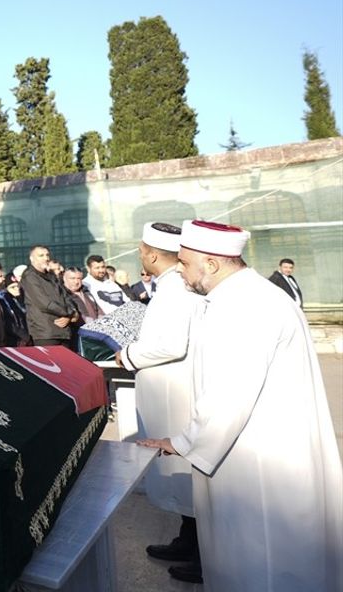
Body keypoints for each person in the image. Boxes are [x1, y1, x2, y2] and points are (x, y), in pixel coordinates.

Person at [139, 220, 342, 592]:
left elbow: (228, 392)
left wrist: (182, 442)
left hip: (260, 460)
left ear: (212, 264)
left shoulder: (244, 306)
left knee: (261, 562)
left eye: (184, 263)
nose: (179, 270)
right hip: (261, 444)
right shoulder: (246, 296)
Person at [116, 223, 206, 584]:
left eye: (141, 250)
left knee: (186, 475)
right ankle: (188, 541)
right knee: (180, 477)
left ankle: (201, 554)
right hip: (170, 391)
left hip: (176, 394)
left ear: (151, 254)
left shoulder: (175, 290)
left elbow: (170, 344)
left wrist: (128, 354)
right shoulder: (172, 286)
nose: (140, 255)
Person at [18, 245, 78, 349]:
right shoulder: (30, 276)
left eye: (47, 255)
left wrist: (70, 314)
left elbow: (66, 296)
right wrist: (69, 313)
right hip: (45, 333)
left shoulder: (52, 276)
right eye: (41, 255)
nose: (46, 258)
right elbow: (45, 304)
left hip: (64, 332)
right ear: (32, 258)